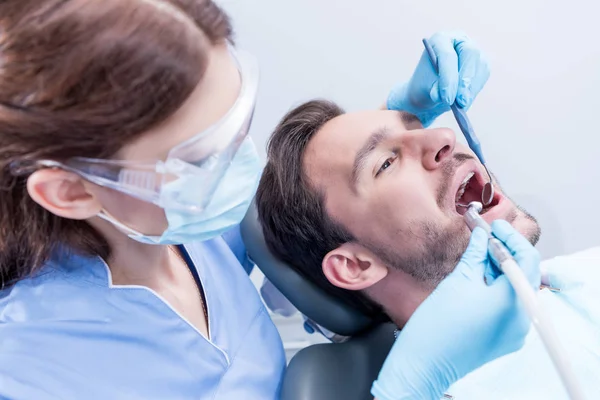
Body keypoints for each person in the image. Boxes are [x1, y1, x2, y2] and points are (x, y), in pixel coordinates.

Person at [0, 0, 527, 398]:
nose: (241, 160)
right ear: (72, 191)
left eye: (238, 121)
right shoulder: (32, 371)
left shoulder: (189, 220)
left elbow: (317, 207)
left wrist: (396, 121)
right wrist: (411, 384)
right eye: (207, 153)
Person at [255, 99, 600, 399]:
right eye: (386, 163)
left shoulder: (580, 275)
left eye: (418, 126)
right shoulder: (424, 387)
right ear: (356, 265)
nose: (444, 137)